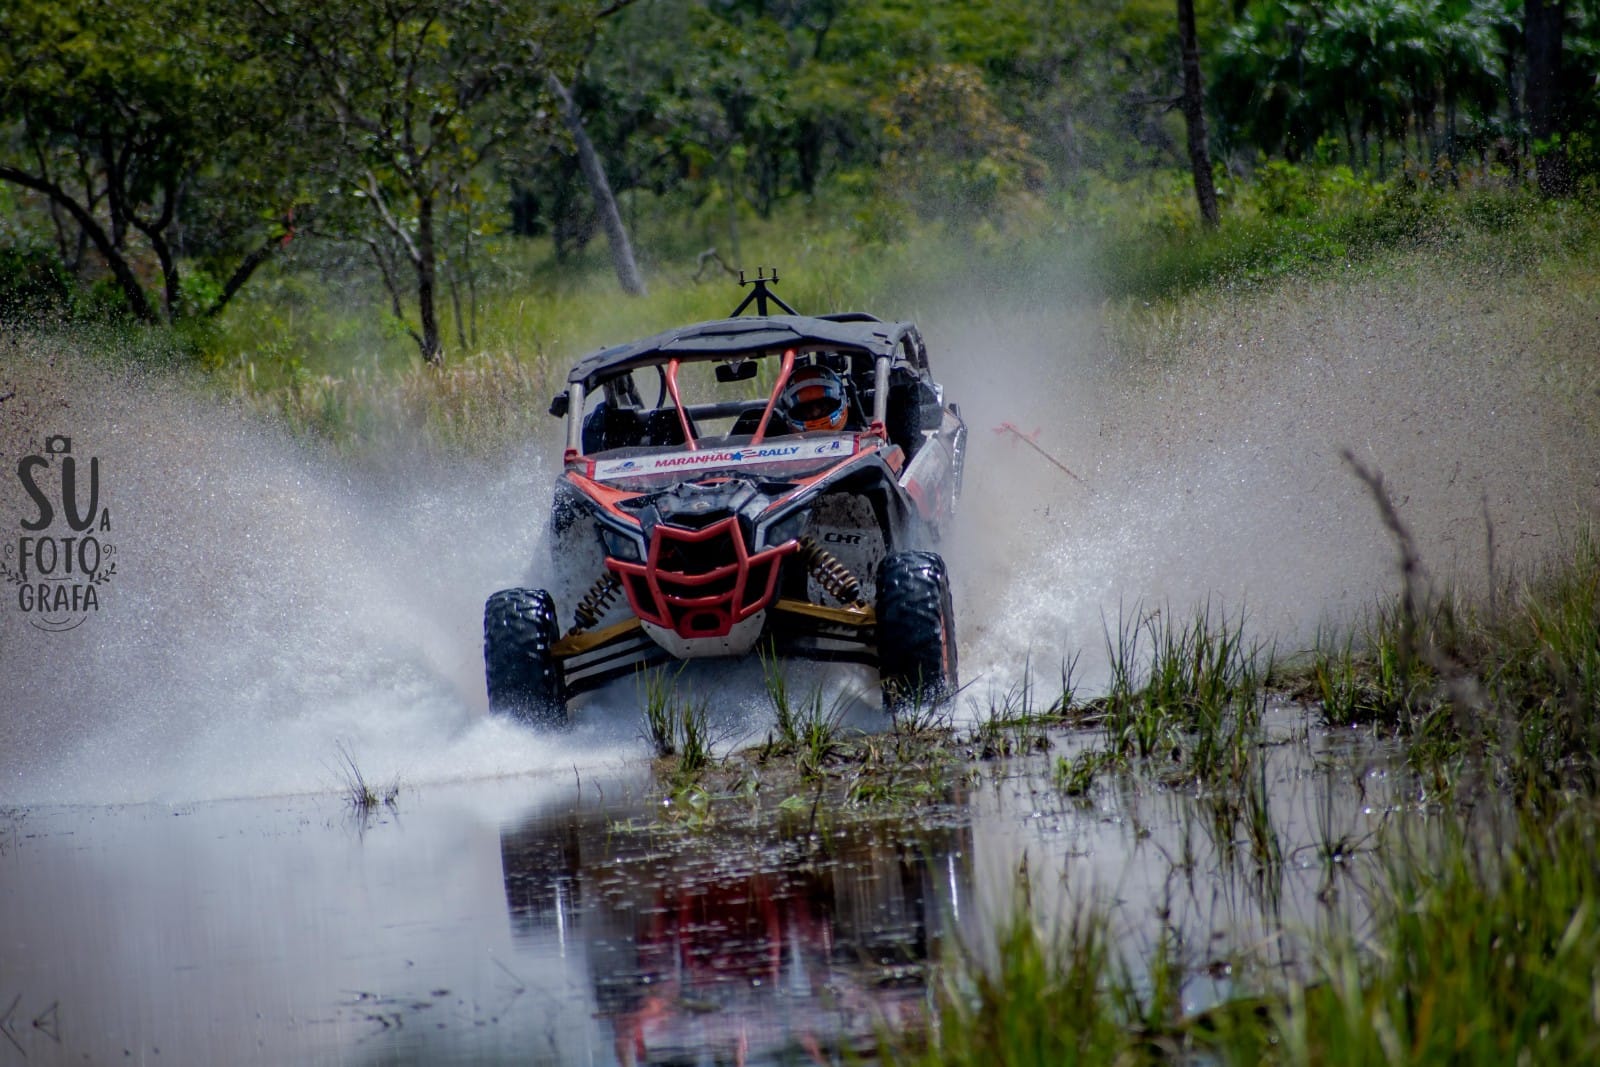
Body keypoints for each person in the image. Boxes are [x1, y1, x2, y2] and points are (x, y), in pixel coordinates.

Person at [776, 364, 850, 433]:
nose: (815, 413)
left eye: (822, 406)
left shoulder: (856, 434)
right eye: (806, 409)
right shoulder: (779, 440)